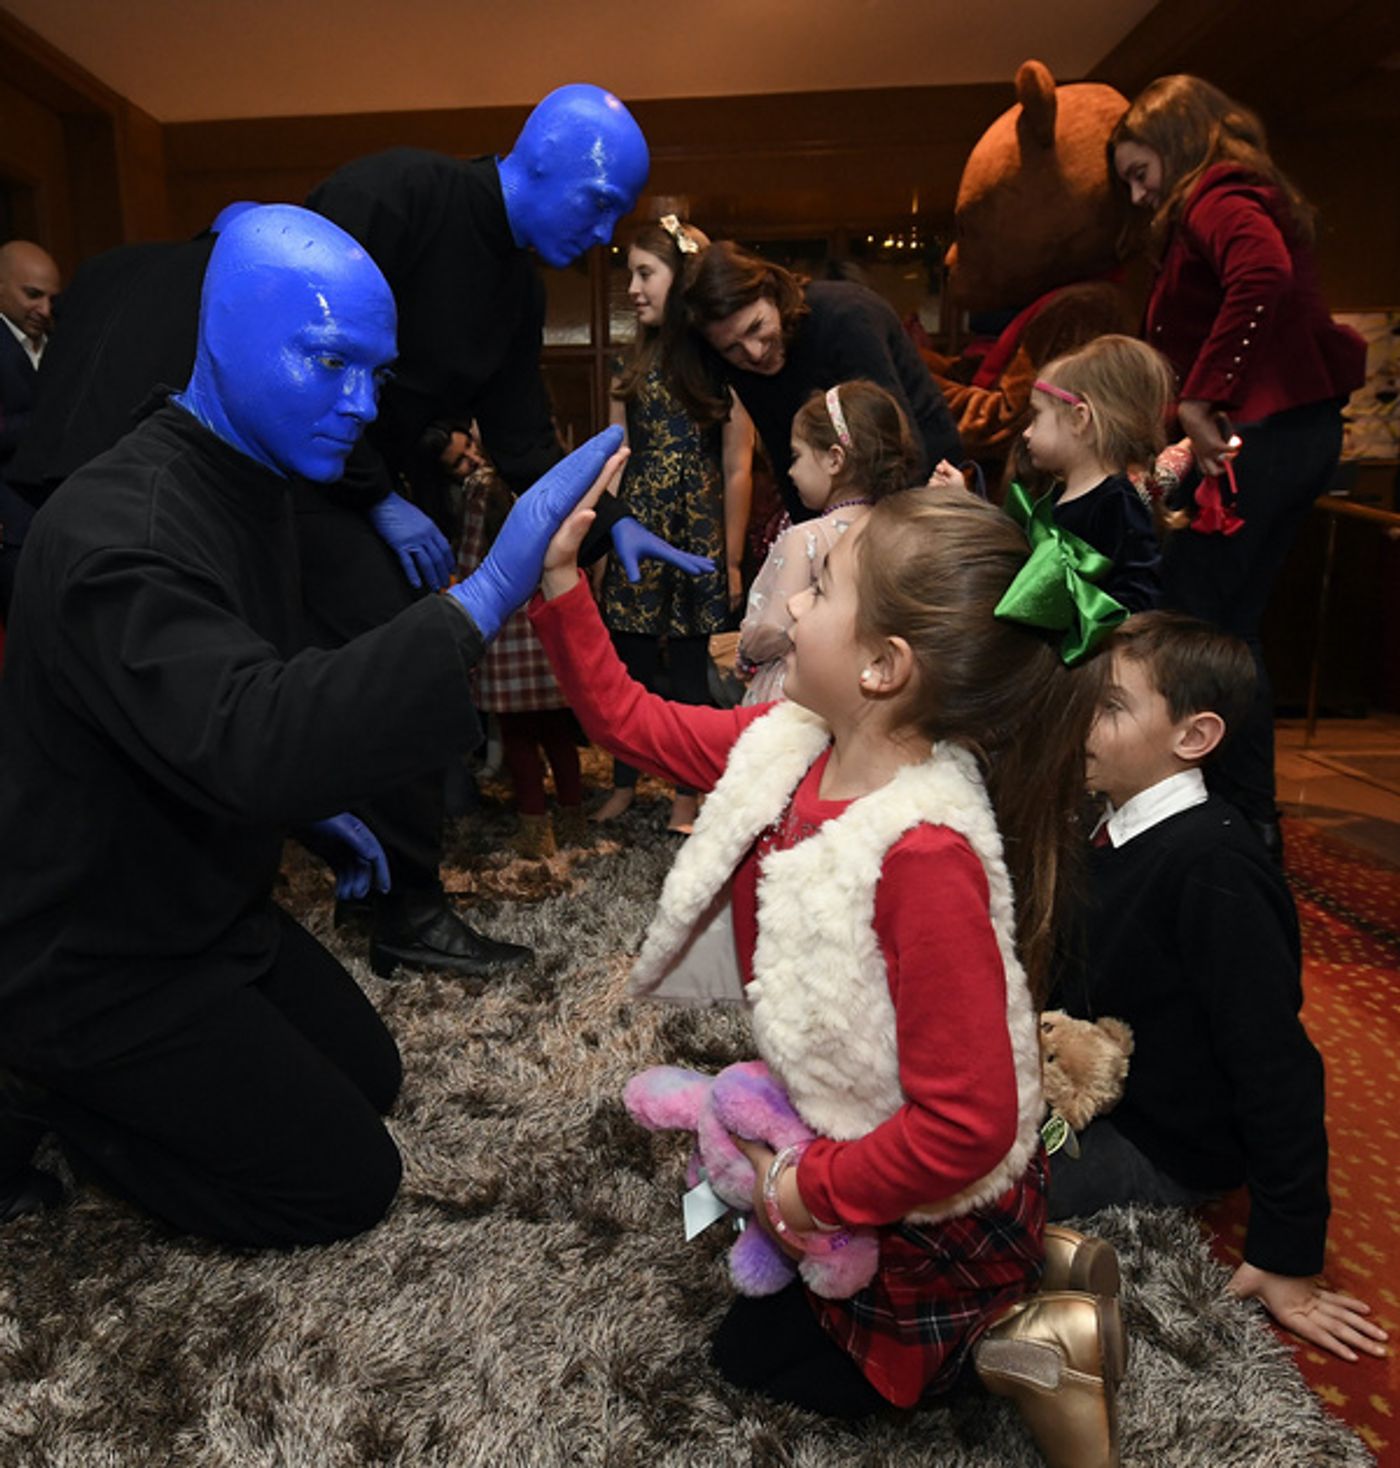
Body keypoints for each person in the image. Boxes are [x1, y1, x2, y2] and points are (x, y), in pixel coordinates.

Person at [0, 204, 626, 1243]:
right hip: (91, 948)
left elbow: (232, 694)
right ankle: (48, 1087)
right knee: (342, 1181)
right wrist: (486, 592)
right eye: (328, 362)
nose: (356, 405)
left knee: (369, 1075)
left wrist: (314, 807)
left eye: (372, 378)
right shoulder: (125, 530)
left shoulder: (250, 480)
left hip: (196, 892)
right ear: (230, 333)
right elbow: (250, 732)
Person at [528, 482, 1125, 1463]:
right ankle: (1037, 1260)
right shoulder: (793, 741)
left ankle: (1014, 1337)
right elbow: (635, 726)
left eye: (822, 588)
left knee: (748, 1359)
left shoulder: (924, 855)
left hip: (928, 1189)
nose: (792, 604)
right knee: (753, 1305)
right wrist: (559, 583)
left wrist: (803, 1192)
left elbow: (964, 1127)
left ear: (883, 665)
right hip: (856, 1129)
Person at [1049, 611, 1388, 1365]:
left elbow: (1276, 1063)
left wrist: (1289, 1256)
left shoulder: (1214, 866)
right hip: (1088, 1086)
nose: (1082, 718)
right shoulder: (1107, 820)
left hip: (1160, 1139)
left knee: (975, 1196)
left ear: (1193, 738)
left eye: (1109, 706)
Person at [1109, 75, 1366, 859]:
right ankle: (1240, 815)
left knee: (1203, 625)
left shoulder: (1216, 196)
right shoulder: (1228, 197)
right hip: (1287, 432)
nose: (1138, 195)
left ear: (1179, 146)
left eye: (1141, 173)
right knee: (1224, 625)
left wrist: (1202, 398)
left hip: (1259, 435)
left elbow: (1262, 276)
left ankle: (1233, 817)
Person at [594, 215, 754, 833]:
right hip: (637, 525)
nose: (632, 288)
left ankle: (688, 793)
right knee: (629, 664)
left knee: (689, 672)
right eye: (628, 273)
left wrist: (734, 557)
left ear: (681, 277)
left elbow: (737, 463)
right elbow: (613, 460)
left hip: (698, 533)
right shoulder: (629, 368)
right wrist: (604, 540)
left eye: (645, 273)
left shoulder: (720, 367)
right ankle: (625, 783)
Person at [670, 240, 962, 523]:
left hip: (924, 476)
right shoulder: (739, 364)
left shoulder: (846, 318)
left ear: (772, 293)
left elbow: (899, 447)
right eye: (731, 348)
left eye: (757, 327)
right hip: (847, 496)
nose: (754, 353)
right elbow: (789, 463)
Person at [451, 424, 587, 858]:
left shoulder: (481, 487)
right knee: (557, 731)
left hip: (507, 620)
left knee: (518, 735)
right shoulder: (558, 477)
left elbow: (473, 555)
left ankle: (534, 829)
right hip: (550, 615)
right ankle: (573, 817)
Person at [737, 379, 917, 704]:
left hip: (801, 690)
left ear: (835, 459)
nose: (791, 471)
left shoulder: (806, 538)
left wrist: (747, 654)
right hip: (862, 692)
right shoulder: (896, 534)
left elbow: (774, 629)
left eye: (797, 455)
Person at [1019, 333, 1171, 613]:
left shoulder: (1117, 503)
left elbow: (1138, 594)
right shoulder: (1055, 493)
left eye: (1036, 416)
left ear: (1079, 419)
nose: (1027, 433)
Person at [0, 239, 61, 614]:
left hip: (51, 518)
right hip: (11, 523)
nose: (45, 309)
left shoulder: (57, 340)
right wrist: (56, 417)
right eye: (33, 295)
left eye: (52, 299)